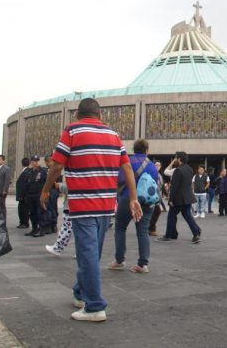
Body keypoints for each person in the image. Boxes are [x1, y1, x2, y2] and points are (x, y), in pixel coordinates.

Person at [41, 97, 142, 322]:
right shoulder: (113, 135)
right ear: (100, 115)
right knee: (91, 253)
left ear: (78, 113)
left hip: (83, 204)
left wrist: (46, 190)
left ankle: (95, 306)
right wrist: (133, 197)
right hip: (107, 205)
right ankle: (80, 293)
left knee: (87, 254)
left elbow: (57, 164)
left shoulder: (72, 130)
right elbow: (126, 167)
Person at [109, 139, 158, 273]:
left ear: (134, 149)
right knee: (143, 231)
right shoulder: (152, 165)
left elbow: (119, 179)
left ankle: (119, 260)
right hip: (147, 201)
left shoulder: (128, 161)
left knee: (120, 228)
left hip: (128, 198)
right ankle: (143, 264)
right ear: (147, 150)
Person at [157, 151, 201, 243]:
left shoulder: (178, 170)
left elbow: (174, 186)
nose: (175, 160)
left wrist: (171, 199)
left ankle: (169, 235)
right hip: (188, 197)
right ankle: (196, 233)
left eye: (176, 158)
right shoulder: (189, 169)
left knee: (171, 216)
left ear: (179, 159)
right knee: (188, 216)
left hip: (178, 198)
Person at [44, 181, 72, 256]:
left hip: (72, 206)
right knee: (81, 232)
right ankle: (82, 252)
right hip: (81, 207)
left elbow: (71, 188)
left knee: (66, 229)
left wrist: (60, 186)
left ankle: (57, 248)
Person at [24, 155, 47, 237]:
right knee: (32, 213)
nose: (35, 162)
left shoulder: (43, 171)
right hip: (30, 195)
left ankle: (41, 229)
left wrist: (45, 194)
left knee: (40, 212)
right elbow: (26, 183)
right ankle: (34, 228)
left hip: (39, 195)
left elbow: (46, 183)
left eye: (37, 161)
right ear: (31, 162)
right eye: (34, 161)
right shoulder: (29, 171)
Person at [149, 160, 165, 236]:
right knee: (157, 211)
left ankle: (151, 228)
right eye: (156, 165)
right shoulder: (152, 174)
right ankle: (151, 228)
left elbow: (161, 186)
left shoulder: (160, 175)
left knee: (154, 212)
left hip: (158, 196)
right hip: (152, 196)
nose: (157, 166)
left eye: (159, 165)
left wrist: (166, 193)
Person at [15, 157, 31, 229]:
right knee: (21, 209)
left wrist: (21, 195)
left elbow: (24, 185)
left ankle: (24, 223)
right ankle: (22, 222)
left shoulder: (26, 172)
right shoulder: (26, 171)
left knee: (24, 210)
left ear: (22, 163)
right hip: (23, 195)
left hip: (24, 195)